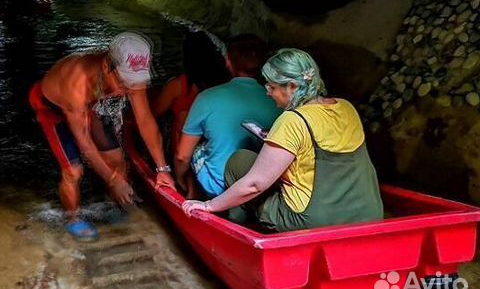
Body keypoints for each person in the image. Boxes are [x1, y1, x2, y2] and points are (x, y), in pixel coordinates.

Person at [182, 48, 383, 232]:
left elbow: (255, 185)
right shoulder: (346, 107)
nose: (268, 93)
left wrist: (209, 205)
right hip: (367, 213)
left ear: (293, 86)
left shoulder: (293, 120)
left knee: (239, 160)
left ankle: (238, 226)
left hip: (311, 221)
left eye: (272, 87)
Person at [29, 32, 175, 240]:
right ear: (107, 67)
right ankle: (73, 217)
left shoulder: (131, 76)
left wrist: (162, 168)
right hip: (53, 107)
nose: (130, 89)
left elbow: (145, 120)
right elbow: (85, 143)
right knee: (73, 170)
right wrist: (113, 179)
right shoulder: (77, 82)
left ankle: (111, 203)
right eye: (125, 83)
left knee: (118, 161)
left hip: (90, 104)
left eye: (135, 82)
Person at [175, 35, 280, 199]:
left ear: (228, 62)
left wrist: (180, 178)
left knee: (193, 147)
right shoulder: (278, 100)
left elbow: (182, 156)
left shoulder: (207, 97)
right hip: (263, 185)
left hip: (219, 187)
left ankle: (191, 191)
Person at [152, 30, 231, 152]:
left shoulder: (178, 85)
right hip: (219, 141)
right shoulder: (227, 82)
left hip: (185, 147)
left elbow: (155, 113)